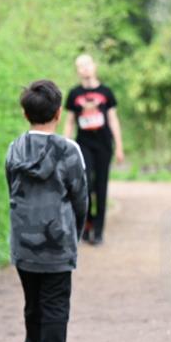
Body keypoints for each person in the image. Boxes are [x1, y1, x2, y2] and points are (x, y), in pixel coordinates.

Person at [5, 80, 88, 342]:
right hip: (58, 241)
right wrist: (74, 235)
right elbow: (80, 198)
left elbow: (12, 190)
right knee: (55, 307)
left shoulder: (14, 149)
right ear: (58, 113)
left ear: (25, 114)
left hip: (24, 242)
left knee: (33, 305)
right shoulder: (69, 150)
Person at [63, 54, 124, 245]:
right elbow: (70, 121)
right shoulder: (74, 93)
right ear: (78, 70)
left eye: (88, 64)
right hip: (84, 145)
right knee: (85, 185)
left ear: (94, 66)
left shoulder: (106, 92)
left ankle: (99, 231)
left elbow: (113, 119)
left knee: (101, 187)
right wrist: (65, 145)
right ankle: (86, 225)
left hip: (104, 145)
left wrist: (119, 146)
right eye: (81, 66)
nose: (85, 68)